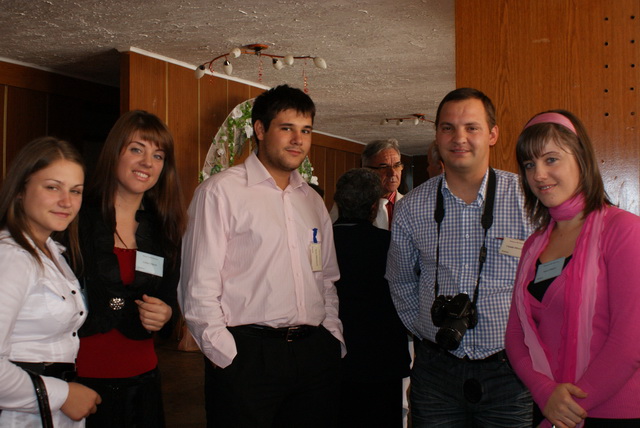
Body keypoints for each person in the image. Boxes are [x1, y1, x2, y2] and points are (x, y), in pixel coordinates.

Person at [179, 84, 344, 428]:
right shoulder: (220, 192)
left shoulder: (313, 201)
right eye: (287, 128)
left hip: (313, 354)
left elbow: (326, 278)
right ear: (260, 129)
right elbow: (198, 285)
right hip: (248, 357)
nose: (298, 140)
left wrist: (332, 336)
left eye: (306, 130)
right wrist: (224, 354)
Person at [386, 87, 533, 427]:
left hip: (510, 371)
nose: (459, 138)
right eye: (448, 127)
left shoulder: (527, 200)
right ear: (437, 135)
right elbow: (401, 281)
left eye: (472, 127)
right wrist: (425, 328)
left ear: (492, 134)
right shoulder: (411, 208)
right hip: (435, 372)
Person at [505, 110, 640, 428]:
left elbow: (630, 340)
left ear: (581, 158)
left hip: (612, 412)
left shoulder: (624, 230)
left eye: (551, 159)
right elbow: (515, 334)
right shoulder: (533, 245)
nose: (539, 174)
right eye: (529, 164)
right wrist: (544, 393)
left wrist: (567, 408)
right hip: (549, 406)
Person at [74, 110, 186, 427]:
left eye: (158, 156)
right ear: (114, 153)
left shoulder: (164, 231)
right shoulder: (75, 221)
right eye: (137, 149)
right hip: (79, 383)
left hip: (142, 382)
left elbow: (170, 300)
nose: (147, 163)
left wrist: (166, 313)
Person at [0, 137, 101, 426]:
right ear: (21, 190)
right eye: (52, 187)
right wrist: (62, 394)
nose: (66, 202)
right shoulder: (12, 258)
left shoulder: (54, 253)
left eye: (75, 191)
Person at [333, 168, 410, 428]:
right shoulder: (389, 244)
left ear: (338, 202)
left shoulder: (321, 244)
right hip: (382, 359)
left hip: (336, 357)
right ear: (373, 208)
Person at [330, 138, 404, 230]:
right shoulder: (347, 204)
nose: (393, 173)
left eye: (397, 166)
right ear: (366, 170)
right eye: (384, 167)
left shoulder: (410, 204)